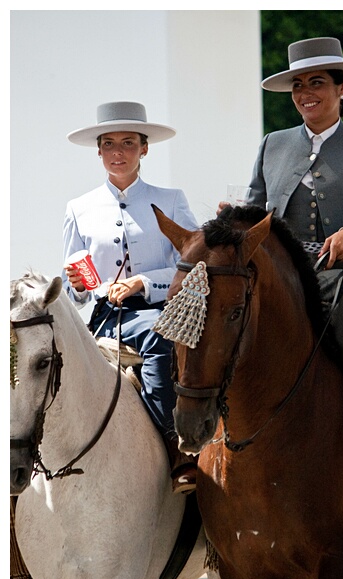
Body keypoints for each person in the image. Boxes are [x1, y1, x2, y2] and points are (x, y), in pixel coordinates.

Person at [219, 37, 343, 445]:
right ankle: (198, 432)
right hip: (284, 277)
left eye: (317, 82)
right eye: (298, 85)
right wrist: (232, 221)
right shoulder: (273, 144)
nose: (306, 94)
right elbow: (254, 218)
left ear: (342, 88)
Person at [63, 101, 198, 494]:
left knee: (165, 334)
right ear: (99, 151)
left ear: (144, 149)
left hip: (163, 309)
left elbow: (191, 264)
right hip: (107, 315)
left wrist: (143, 282)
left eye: (127, 143)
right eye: (108, 144)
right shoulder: (79, 208)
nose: (117, 152)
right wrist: (77, 282)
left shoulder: (171, 199)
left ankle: (180, 442)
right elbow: (75, 286)